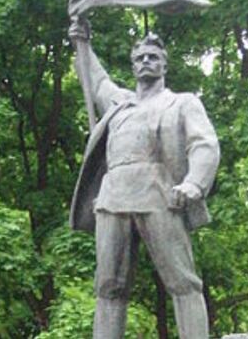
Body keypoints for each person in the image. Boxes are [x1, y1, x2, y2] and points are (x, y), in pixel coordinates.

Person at [68, 17, 220, 339]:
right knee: (108, 286)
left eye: (153, 57)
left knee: (183, 281)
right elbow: (96, 79)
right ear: (133, 65)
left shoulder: (182, 102)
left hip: (159, 194)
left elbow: (204, 144)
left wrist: (194, 183)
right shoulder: (119, 103)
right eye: (140, 58)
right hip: (112, 198)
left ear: (164, 64)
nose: (146, 61)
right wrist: (83, 42)